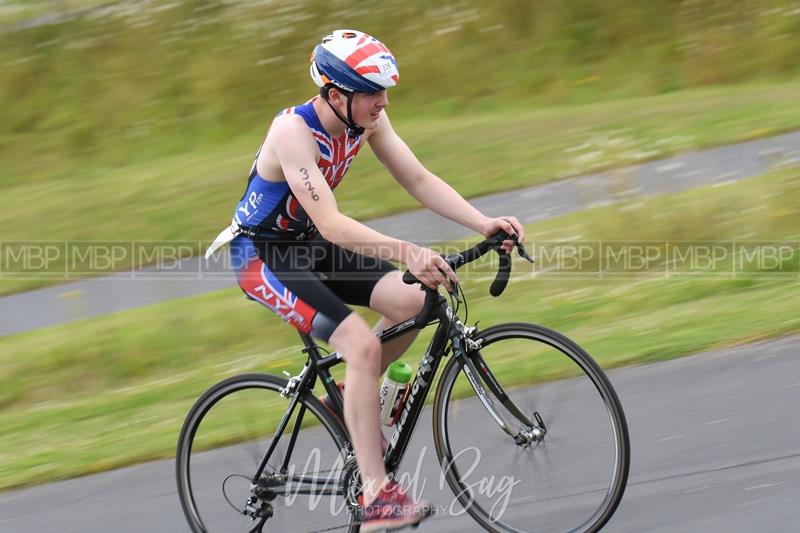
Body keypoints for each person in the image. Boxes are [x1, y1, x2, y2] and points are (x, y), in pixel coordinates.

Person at [207, 29, 524, 531]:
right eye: (373, 92)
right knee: (359, 344)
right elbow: (333, 224)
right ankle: (377, 497)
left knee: (414, 300)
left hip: (307, 247)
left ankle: (349, 397)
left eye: (384, 91)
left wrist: (482, 221)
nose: (384, 101)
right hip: (262, 257)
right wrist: (411, 252)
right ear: (336, 94)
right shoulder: (293, 132)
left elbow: (417, 179)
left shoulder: (365, 118)